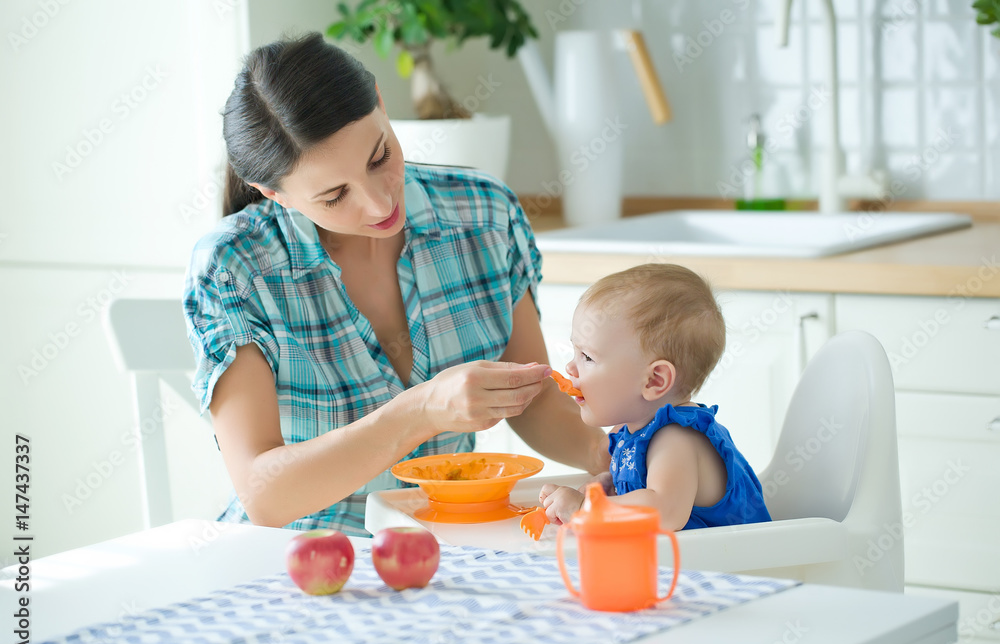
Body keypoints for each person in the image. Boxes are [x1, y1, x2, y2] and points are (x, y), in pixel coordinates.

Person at [182, 33, 609, 535]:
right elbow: (265, 496)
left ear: (382, 104)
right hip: (302, 563)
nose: (381, 205)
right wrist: (425, 408)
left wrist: (647, 450)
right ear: (274, 194)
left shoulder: (483, 213)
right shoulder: (234, 266)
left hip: (451, 546)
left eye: (380, 156)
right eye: (335, 195)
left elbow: (533, 398)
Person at [539, 263, 772, 530]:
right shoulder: (634, 429)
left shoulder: (676, 438)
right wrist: (611, 484)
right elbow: (647, 488)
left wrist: (584, 508)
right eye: (575, 351)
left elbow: (664, 510)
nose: (570, 368)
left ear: (654, 380)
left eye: (588, 357)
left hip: (738, 568)